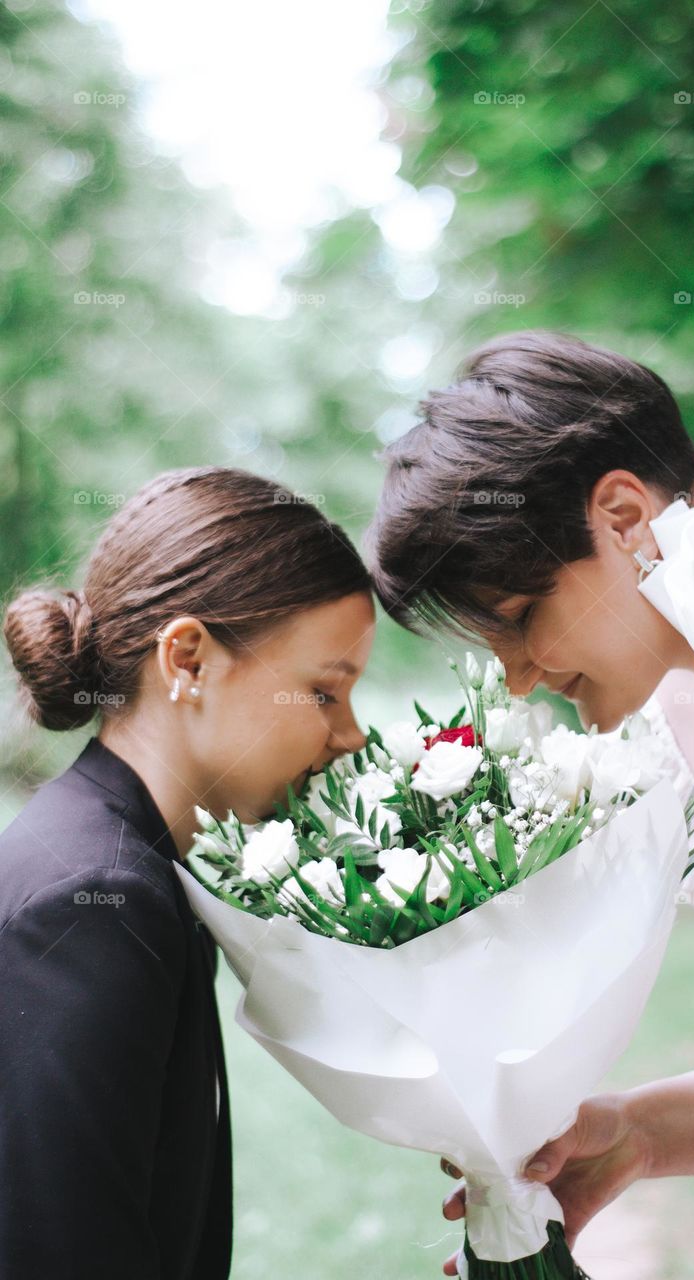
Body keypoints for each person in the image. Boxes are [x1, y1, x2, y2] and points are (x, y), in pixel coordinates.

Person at [366, 330, 694, 1272]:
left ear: (624, 517)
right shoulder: (686, 711)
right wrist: (635, 1134)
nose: (513, 680)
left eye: (516, 622)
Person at [0, 465, 374, 1278]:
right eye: (323, 691)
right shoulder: (91, 903)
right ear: (189, 660)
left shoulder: (137, 863)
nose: (350, 735)